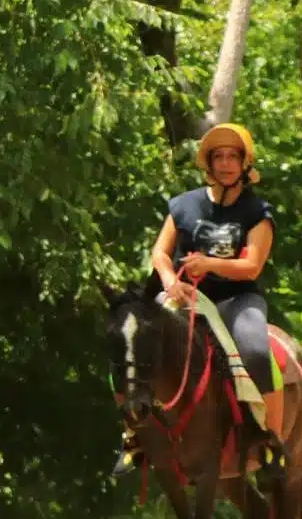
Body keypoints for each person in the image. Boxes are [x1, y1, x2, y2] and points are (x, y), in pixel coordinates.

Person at [111, 123, 283, 476]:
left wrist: (209, 263)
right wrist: (170, 280)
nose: (225, 164)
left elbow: (251, 267)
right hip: (183, 296)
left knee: (254, 349)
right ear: (209, 163)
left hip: (236, 299)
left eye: (233, 157)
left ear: (245, 163)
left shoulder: (257, 212)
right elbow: (160, 251)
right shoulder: (183, 205)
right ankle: (133, 436)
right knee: (130, 339)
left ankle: (270, 442)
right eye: (218, 157)